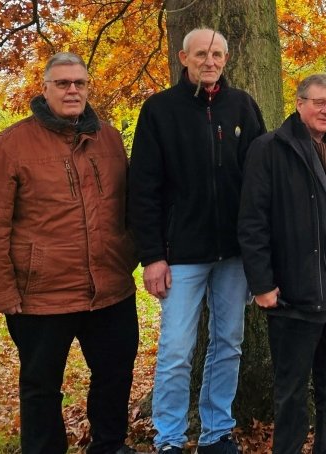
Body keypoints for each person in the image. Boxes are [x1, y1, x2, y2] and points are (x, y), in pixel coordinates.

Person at [0, 52, 138, 454]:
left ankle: (110, 445)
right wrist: (2, 294)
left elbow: (133, 205)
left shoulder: (110, 139)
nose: (72, 90)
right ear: (44, 89)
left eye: (79, 83)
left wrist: (127, 254)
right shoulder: (11, 145)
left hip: (110, 288)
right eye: (62, 83)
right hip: (42, 296)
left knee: (114, 374)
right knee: (41, 386)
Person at [128, 28, 266, 453]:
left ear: (227, 59)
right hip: (180, 255)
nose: (211, 61)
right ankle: (168, 438)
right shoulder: (159, 110)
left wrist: (259, 251)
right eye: (202, 54)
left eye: (218, 54)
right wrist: (152, 256)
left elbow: (261, 182)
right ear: (184, 57)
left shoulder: (242, 106)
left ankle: (216, 431)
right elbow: (143, 189)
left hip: (234, 255)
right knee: (175, 351)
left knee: (228, 345)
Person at [238, 74, 326, 454]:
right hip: (295, 288)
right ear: (299, 104)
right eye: (318, 102)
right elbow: (252, 222)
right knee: (292, 387)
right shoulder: (270, 149)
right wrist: (261, 284)